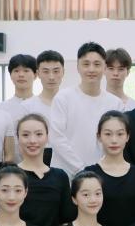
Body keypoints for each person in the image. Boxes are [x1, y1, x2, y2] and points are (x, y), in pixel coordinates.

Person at [49, 42, 123, 177]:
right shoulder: (63, 98)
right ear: (78, 67)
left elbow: (117, 140)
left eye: (97, 64)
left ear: (104, 67)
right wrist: (81, 169)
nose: (91, 69)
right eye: (86, 64)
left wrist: (98, 169)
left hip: (102, 174)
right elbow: (56, 138)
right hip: (64, 174)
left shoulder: (115, 103)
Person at [15, 113, 76, 226]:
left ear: (47, 137)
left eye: (39, 134)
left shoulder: (60, 176)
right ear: (18, 138)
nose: (32, 140)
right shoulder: (9, 175)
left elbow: (65, 222)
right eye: (25, 135)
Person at [86, 111, 135, 226]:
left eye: (120, 134)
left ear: (127, 136)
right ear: (99, 136)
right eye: (108, 134)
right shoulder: (89, 175)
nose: (114, 140)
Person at [0, 54, 39, 123]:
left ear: (35, 75)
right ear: (10, 75)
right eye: (16, 71)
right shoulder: (0, 109)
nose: (21, 75)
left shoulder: (43, 106)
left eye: (26, 71)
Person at [27, 49, 65, 116]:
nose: (51, 77)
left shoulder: (72, 104)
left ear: (63, 72)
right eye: (46, 72)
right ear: (38, 73)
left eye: (56, 71)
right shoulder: (28, 107)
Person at [105, 47, 135, 112]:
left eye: (121, 69)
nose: (115, 73)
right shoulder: (95, 103)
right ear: (103, 70)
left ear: (128, 72)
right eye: (111, 68)